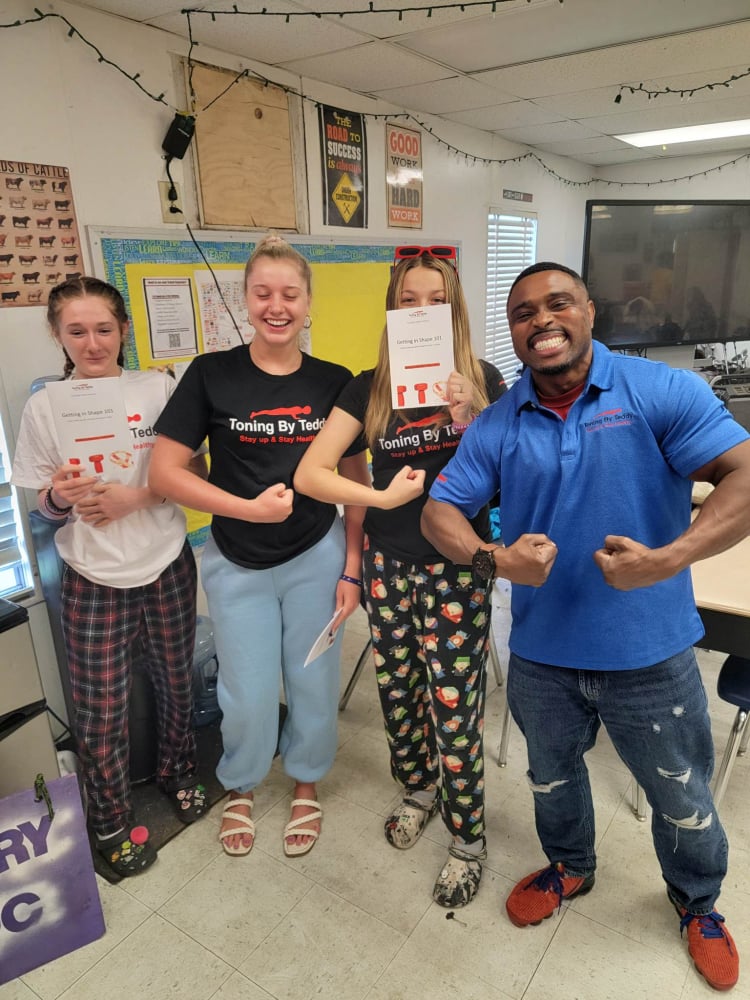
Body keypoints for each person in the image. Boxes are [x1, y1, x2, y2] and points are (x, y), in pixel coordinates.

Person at [421, 261, 750, 991]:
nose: (542, 320)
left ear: (590, 312)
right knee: (551, 780)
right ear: (513, 332)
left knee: (681, 794)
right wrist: (493, 559)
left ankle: (697, 903)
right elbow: (438, 513)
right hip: (543, 657)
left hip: (651, 654)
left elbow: (745, 473)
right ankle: (570, 866)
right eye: (523, 312)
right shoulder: (500, 422)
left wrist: (669, 557)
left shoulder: (659, 391)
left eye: (558, 303)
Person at [294, 247, 505, 907]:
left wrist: (472, 416)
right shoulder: (368, 388)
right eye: (408, 300)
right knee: (399, 692)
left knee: (455, 707)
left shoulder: (485, 379)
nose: (421, 310)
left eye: (434, 300)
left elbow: (513, 475)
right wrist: (380, 499)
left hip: (457, 567)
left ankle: (468, 839)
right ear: (392, 311)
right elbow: (311, 472)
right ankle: (418, 790)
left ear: (453, 310)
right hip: (389, 567)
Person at [148, 234, 368, 859]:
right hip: (235, 558)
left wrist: (352, 567)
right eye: (263, 293)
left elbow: (356, 482)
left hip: (317, 554)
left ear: (308, 303)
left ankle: (306, 780)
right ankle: (241, 783)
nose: (277, 306)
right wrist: (247, 508)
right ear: (245, 299)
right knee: (243, 689)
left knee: (313, 679)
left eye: (290, 294)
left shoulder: (335, 382)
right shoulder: (210, 374)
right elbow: (165, 473)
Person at [11, 277, 208, 878]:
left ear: (124, 328)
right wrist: (59, 497)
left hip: (166, 562)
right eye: (77, 331)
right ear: (57, 335)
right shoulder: (45, 406)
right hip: (91, 577)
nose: (92, 343)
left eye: (103, 329)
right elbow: (42, 507)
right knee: (100, 711)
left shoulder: (158, 388)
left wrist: (139, 497)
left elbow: (196, 470)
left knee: (177, 684)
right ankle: (110, 820)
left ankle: (178, 772)